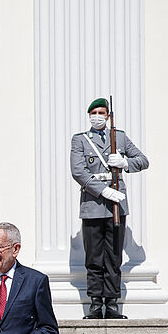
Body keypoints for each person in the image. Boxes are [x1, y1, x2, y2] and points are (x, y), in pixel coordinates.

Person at [69, 97, 149, 319]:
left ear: (108, 116)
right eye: (94, 113)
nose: (97, 117)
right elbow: (78, 171)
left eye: (101, 113)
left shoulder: (119, 137)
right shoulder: (81, 140)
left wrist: (125, 163)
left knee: (114, 256)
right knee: (94, 257)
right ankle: (95, 303)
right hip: (93, 204)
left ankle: (112, 303)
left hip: (116, 206)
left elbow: (143, 160)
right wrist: (103, 191)